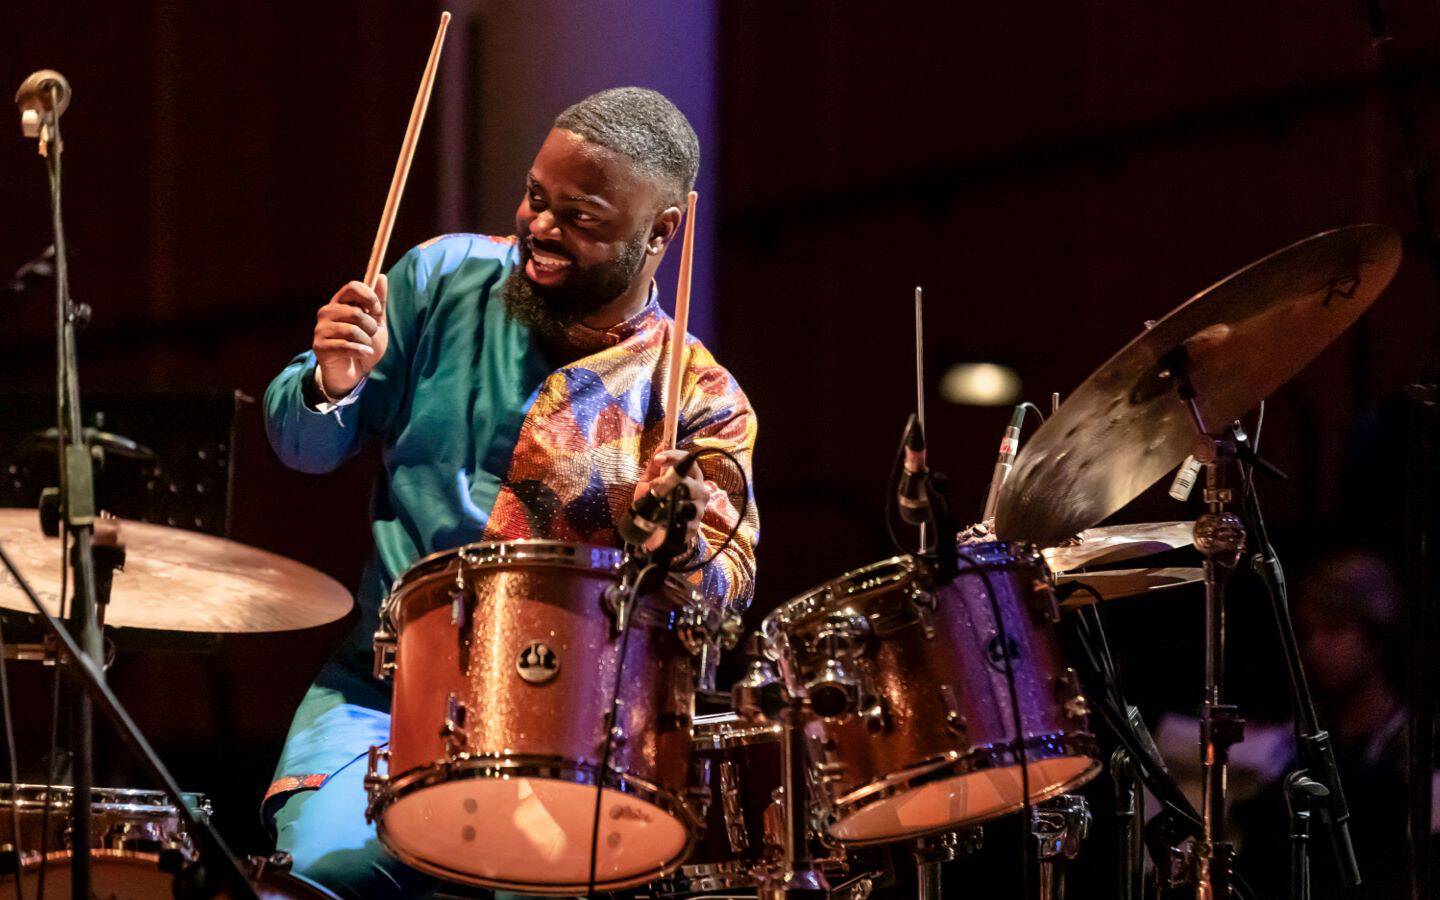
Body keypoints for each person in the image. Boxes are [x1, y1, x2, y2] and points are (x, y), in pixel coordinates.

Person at [260, 87, 758, 899]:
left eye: (581, 217)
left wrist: (681, 541)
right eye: (536, 197)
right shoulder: (443, 275)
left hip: (574, 732)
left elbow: (726, 588)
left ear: (662, 231)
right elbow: (303, 449)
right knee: (318, 875)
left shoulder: (699, 394)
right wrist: (331, 381)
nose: (542, 228)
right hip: (385, 694)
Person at [1233, 549, 1410, 898]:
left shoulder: (1410, 741)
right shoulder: (1295, 741)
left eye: (1334, 629)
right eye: (1307, 632)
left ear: (1375, 633)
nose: (1314, 646)